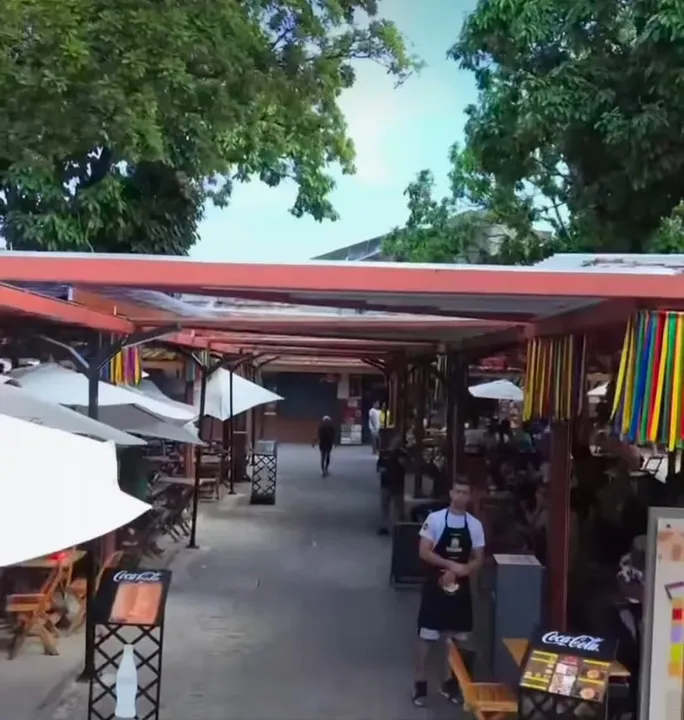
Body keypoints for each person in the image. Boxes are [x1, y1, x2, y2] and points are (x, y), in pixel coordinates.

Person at [413, 476, 485, 707]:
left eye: (465, 492)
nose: (461, 496)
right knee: (427, 638)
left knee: (459, 640)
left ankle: (452, 685)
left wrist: (462, 571)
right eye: (457, 491)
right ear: (451, 493)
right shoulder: (434, 520)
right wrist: (451, 565)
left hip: (460, 587)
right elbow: (424, 551)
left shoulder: (474, 525)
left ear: (470, 496)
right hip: (435, 584)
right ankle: (420, 686)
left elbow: (478, 558)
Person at [377, 436, 406, 535]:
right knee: (385, 506)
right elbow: (379, 467)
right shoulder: (385, 453)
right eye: (395, 442)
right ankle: (384, 526)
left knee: (399, 507)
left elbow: (409, 467)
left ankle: (399, 527)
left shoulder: (403, 454)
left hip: (398, 483)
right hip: (386, 483)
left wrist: (403, 463)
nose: (396, 444)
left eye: (398, 442)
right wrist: (382, 470)